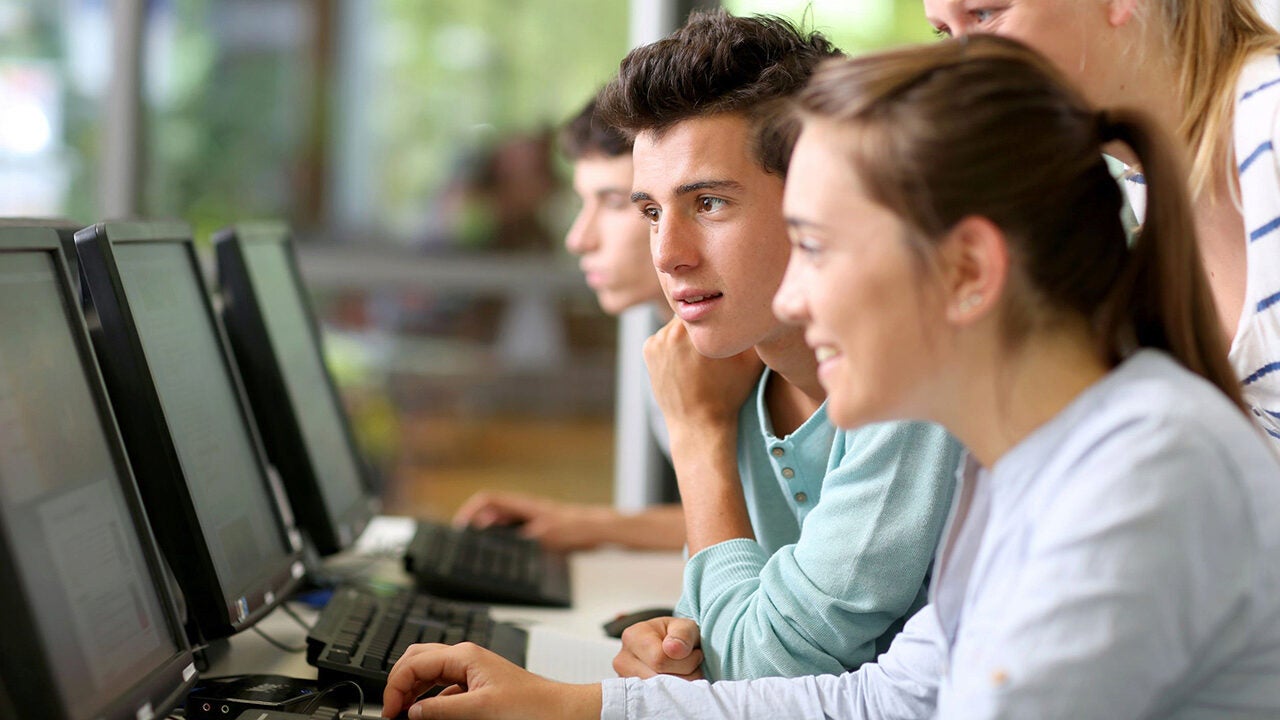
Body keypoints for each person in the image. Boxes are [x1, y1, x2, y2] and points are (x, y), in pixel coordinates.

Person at [380, 35, 1280, 720]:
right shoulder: (1013, 465)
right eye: (649, 210)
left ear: (967, 272)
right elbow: (889, 700)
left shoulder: (1142, 477)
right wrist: (579, 707)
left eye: (815, 247)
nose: (797, 299)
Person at [597, 9, 960, 682]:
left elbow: (765, 666)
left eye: (708, 203)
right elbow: (715, 634)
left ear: (818, 198)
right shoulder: (726, 374)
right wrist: (674, 643)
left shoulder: (911, 378)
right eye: (651, 212)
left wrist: (697, 436)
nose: (668, 256)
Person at [923, 0, 1280, 446]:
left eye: (985, 14)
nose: (964, 71)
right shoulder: (1149, 185)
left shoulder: (1270, 127)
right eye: (944, 33)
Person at [452, 95, 687, 552]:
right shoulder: (661, 346)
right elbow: (740, 526)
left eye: (615, 203)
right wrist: (584, 523)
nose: (578, 239)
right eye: (583, 202)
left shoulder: (761, 360)